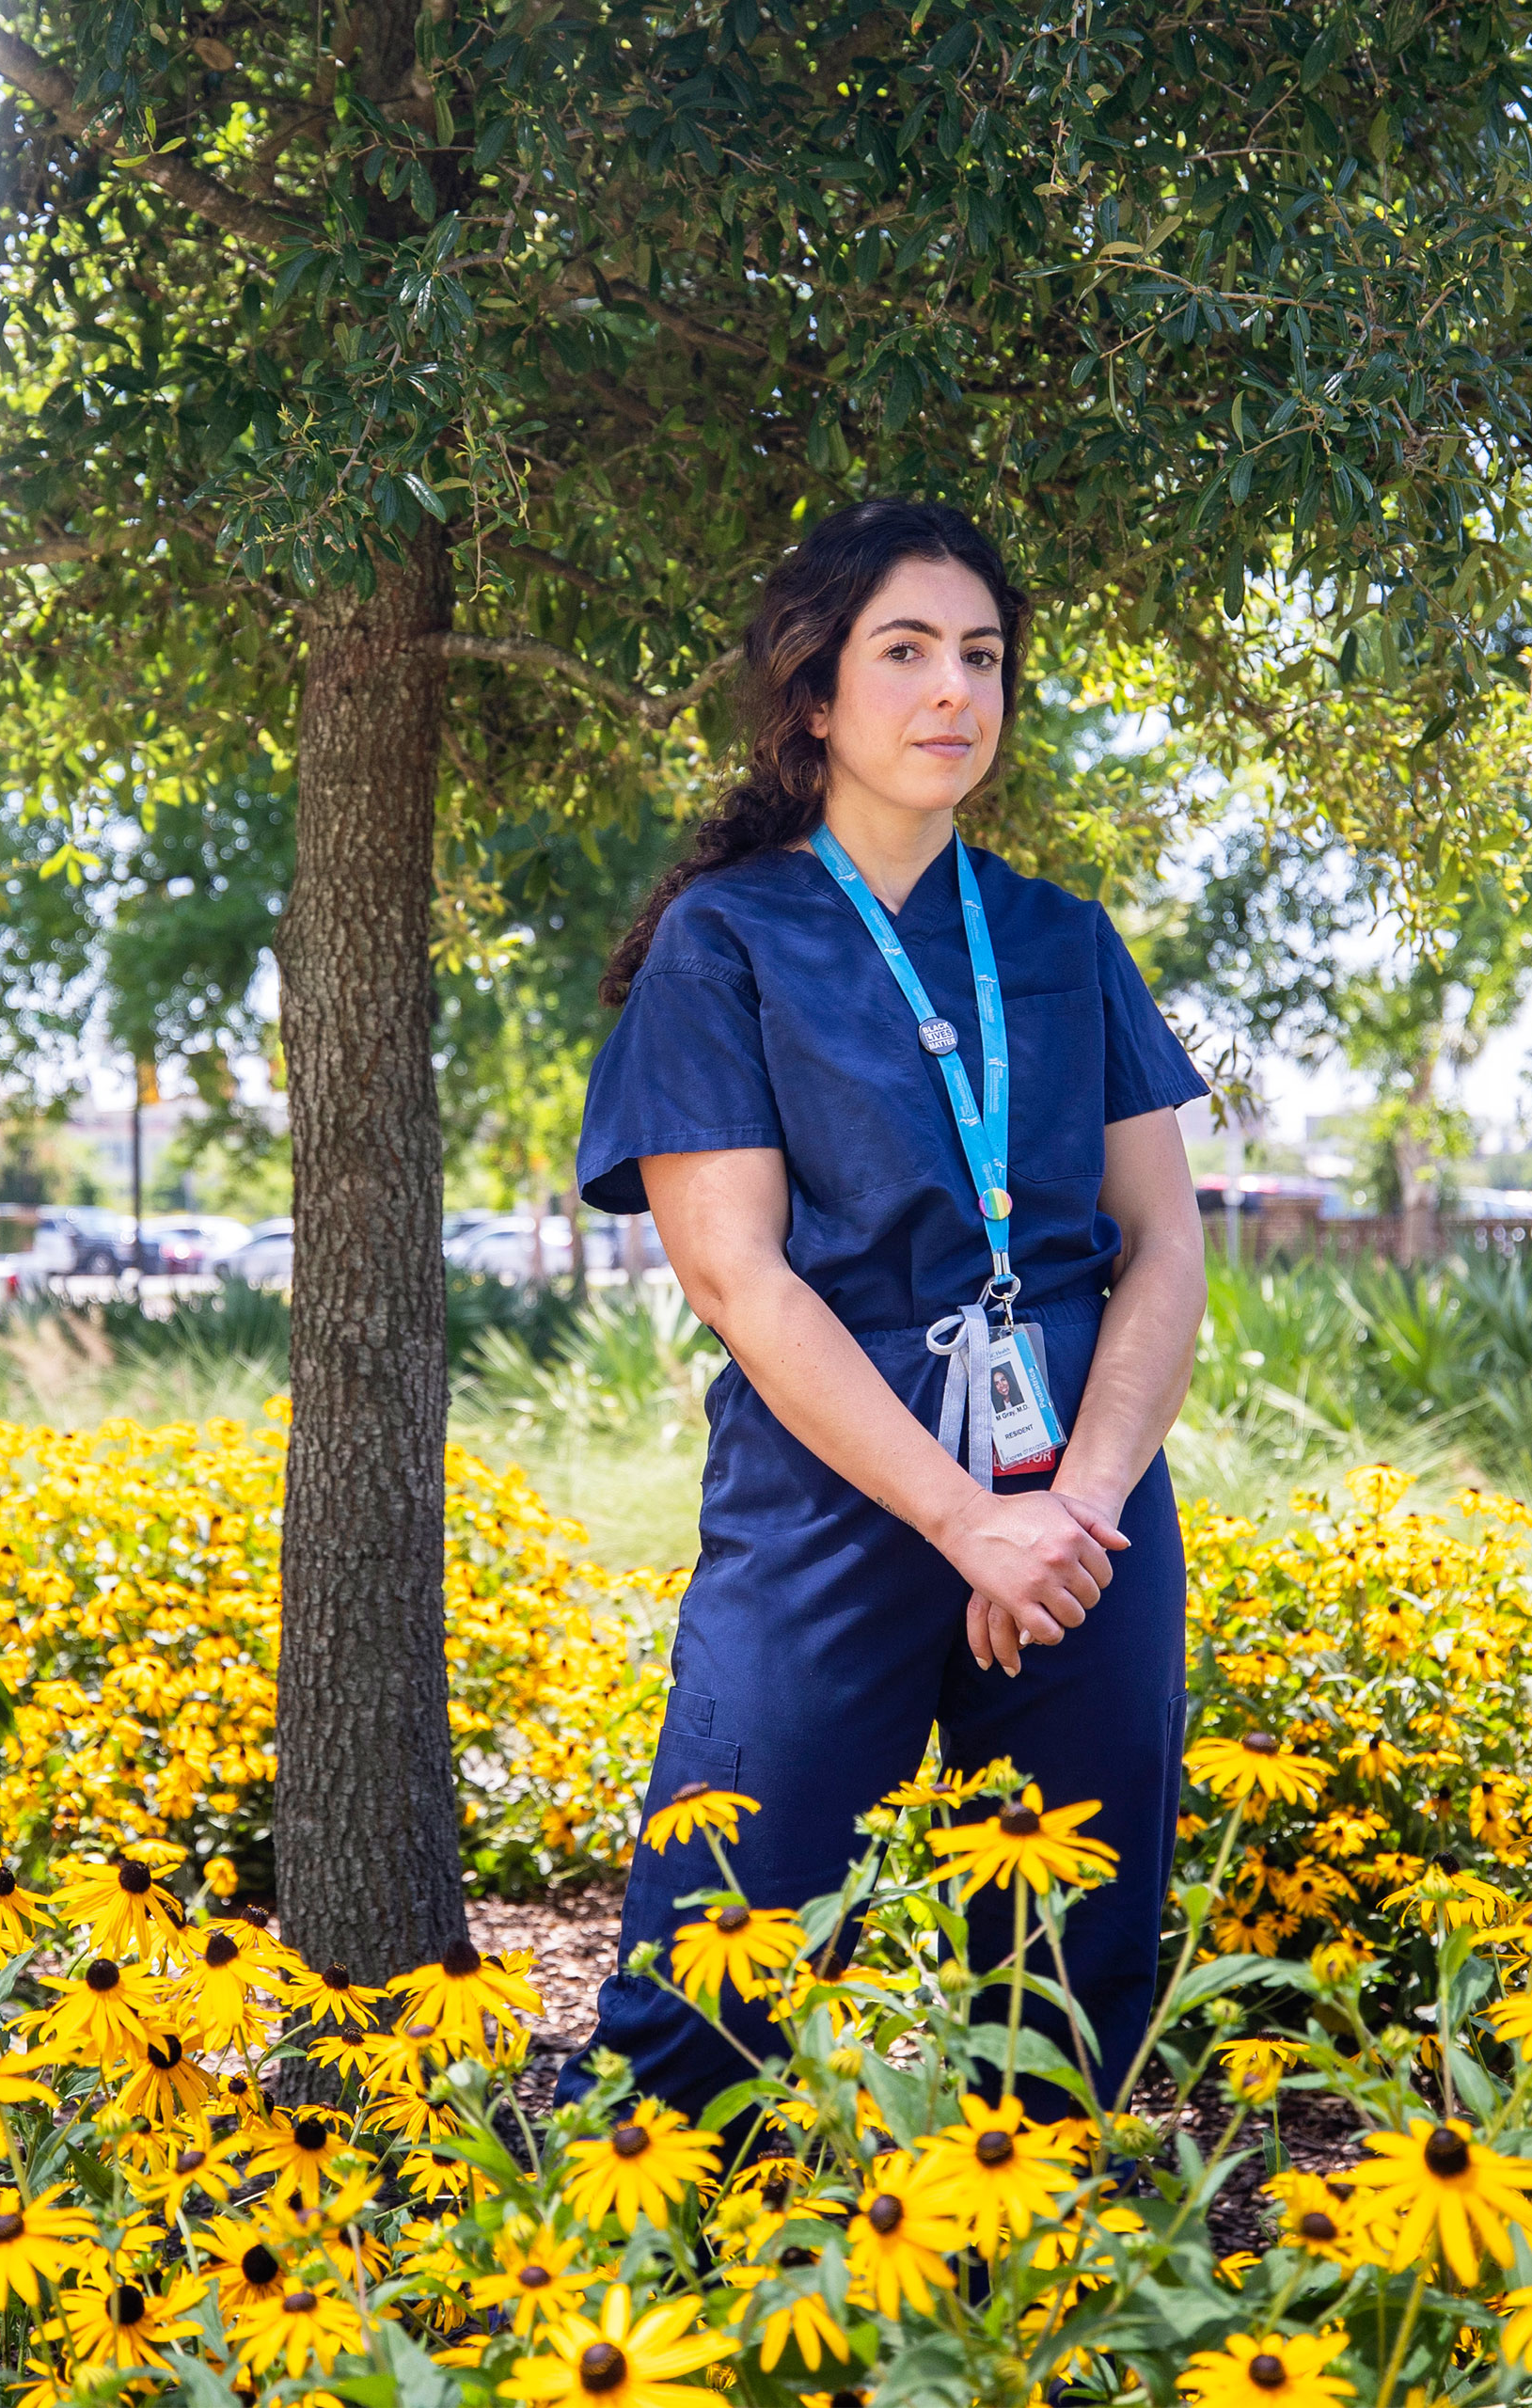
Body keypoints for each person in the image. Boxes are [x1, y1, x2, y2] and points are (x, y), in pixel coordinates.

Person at [556, 497, 1210, 2119]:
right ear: (814, 698)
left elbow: (1165, 1244)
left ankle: (1015, 2294)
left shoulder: (1062, 937)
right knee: (724, 1948)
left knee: (1073, 1958)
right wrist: (959, 1520)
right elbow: (735, 1275)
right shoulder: (727, 940)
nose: (952, 694)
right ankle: (641, 2298)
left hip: (1081, 1511)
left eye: (980, 657)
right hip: (833, 1494)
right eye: (904, 652)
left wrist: (1075, 1508)